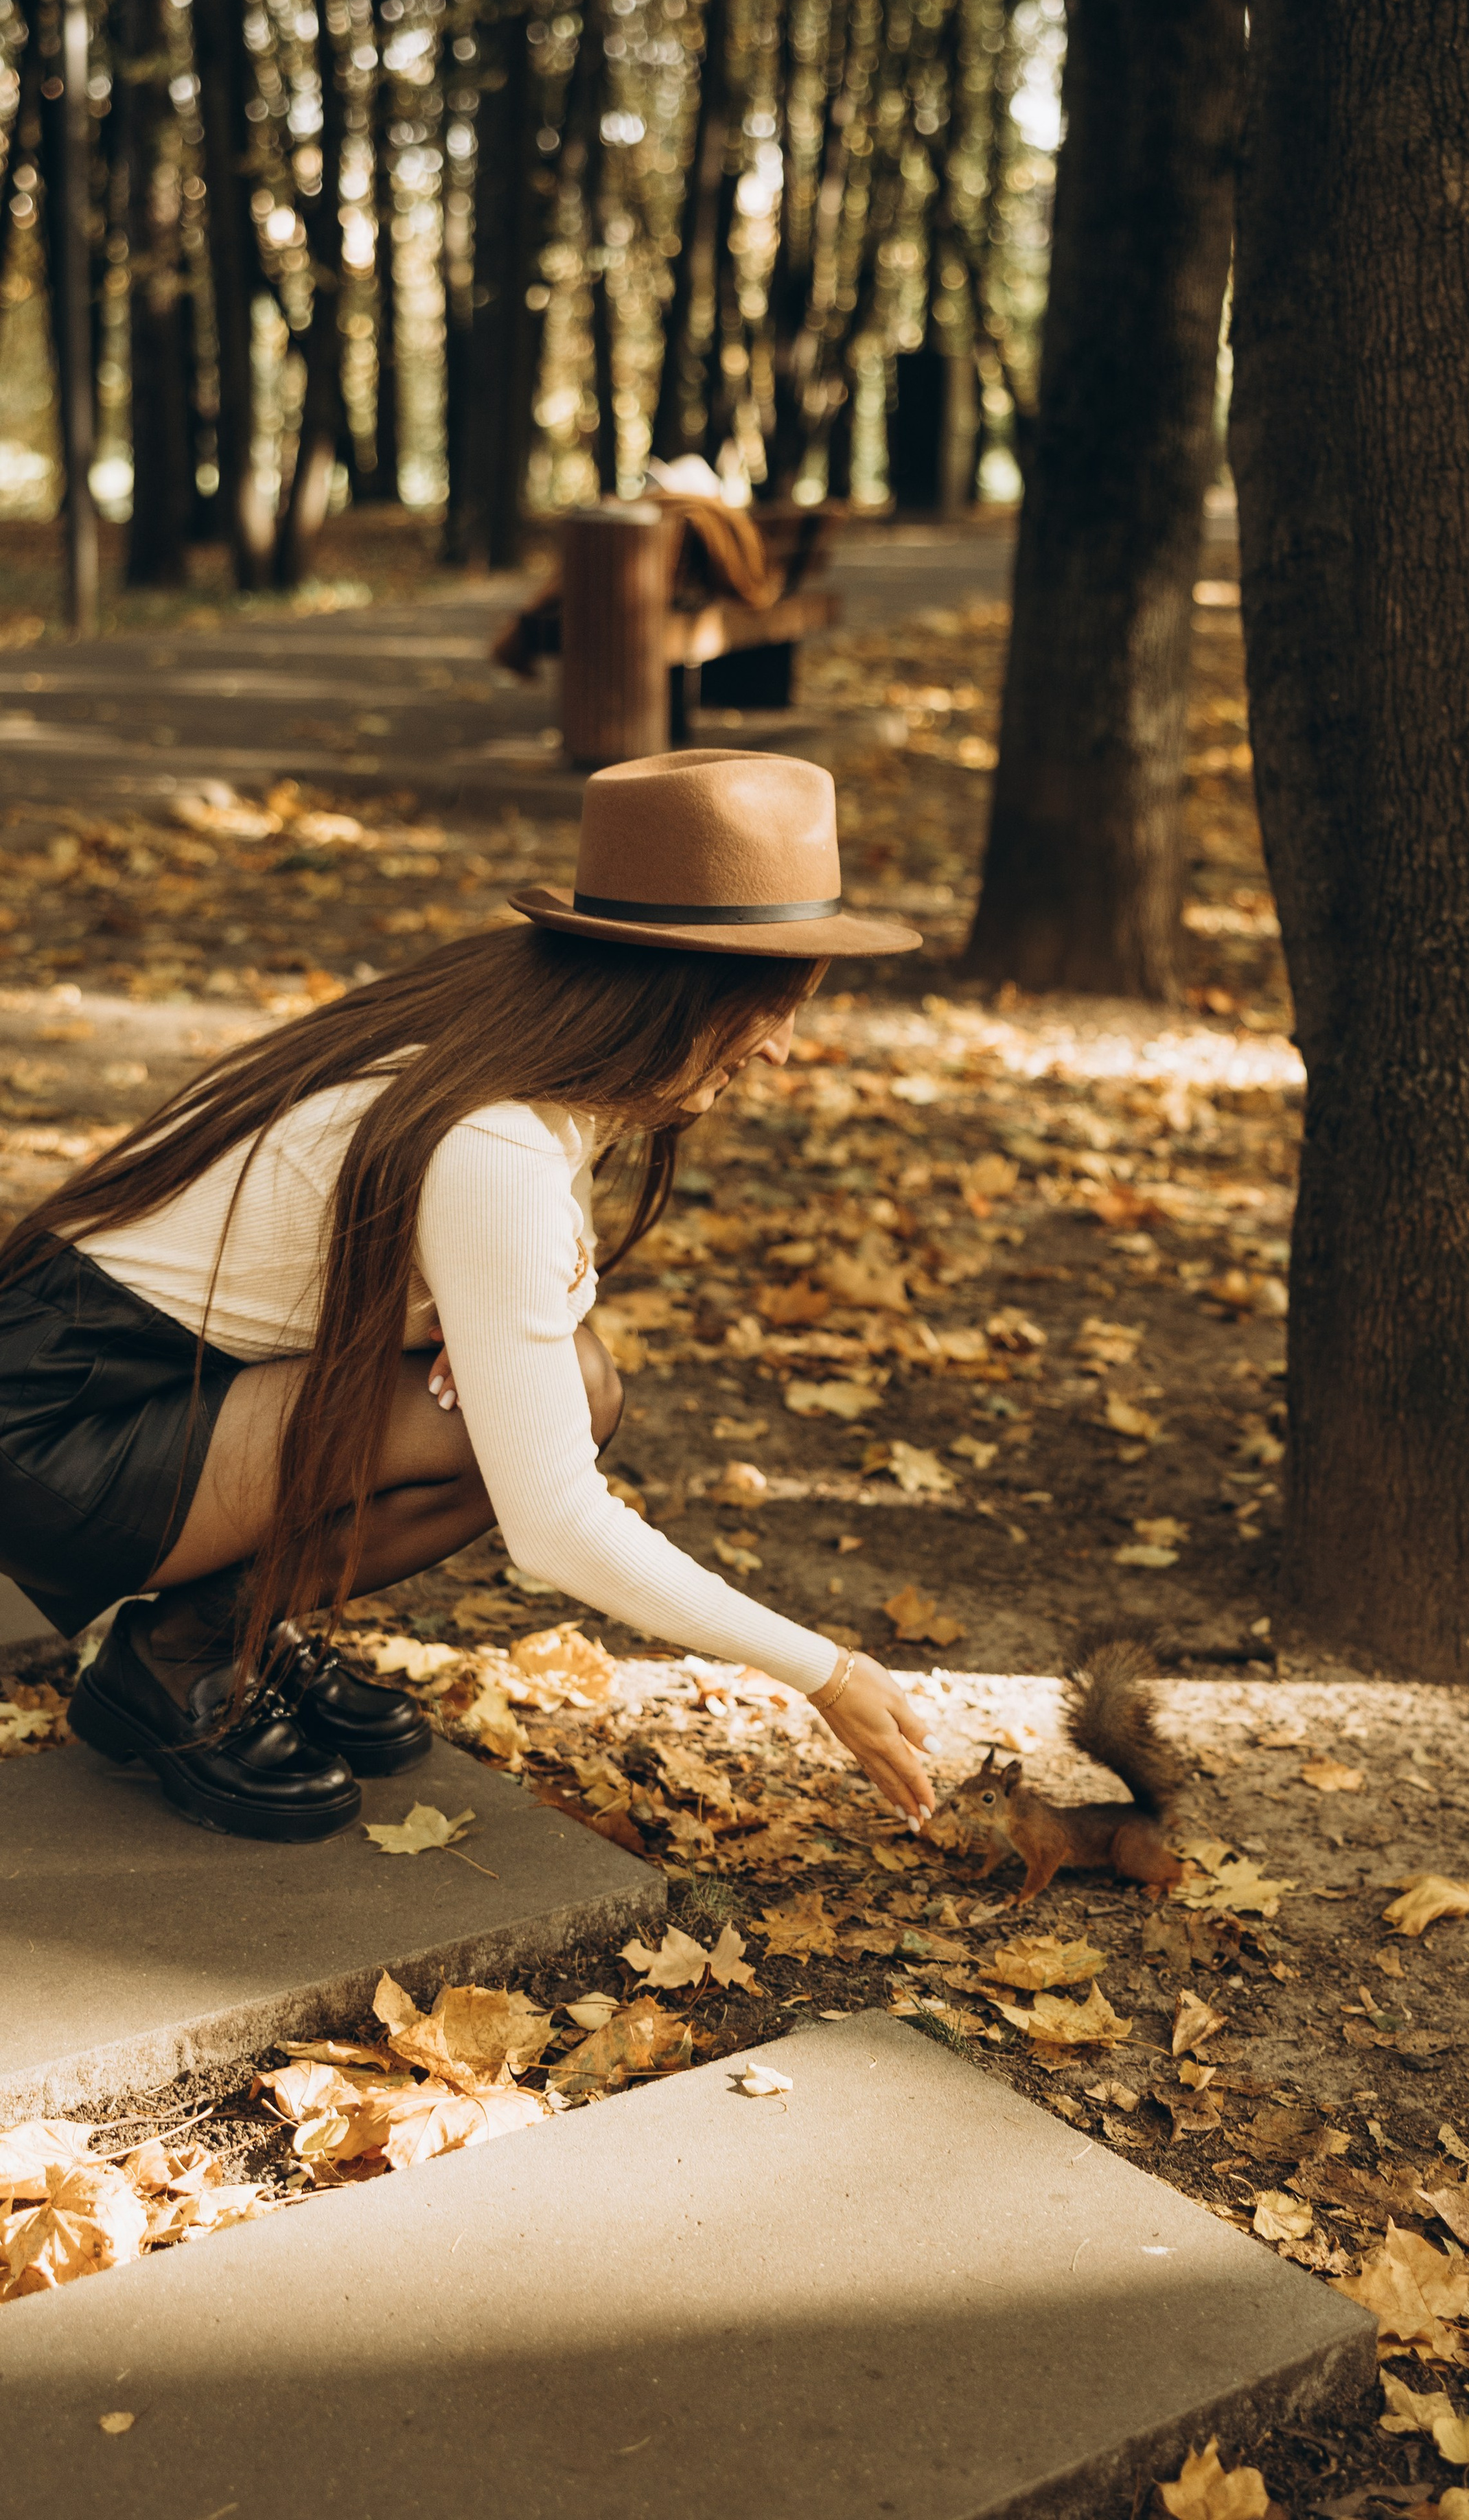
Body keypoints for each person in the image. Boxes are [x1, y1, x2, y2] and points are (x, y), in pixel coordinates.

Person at [0, 750, 936, 1844]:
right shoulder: (493, 1140)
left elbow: (553, 1255)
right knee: (526, 1416)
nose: (780, 1048)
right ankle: (181, 1658)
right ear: (677, 986)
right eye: (770, 1006)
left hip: (115, 1375)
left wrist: (474, 1308)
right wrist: (823, 1671)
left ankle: (230, 1627)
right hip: (52, 1433)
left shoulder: (517, 1022)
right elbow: (556, 1524)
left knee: (571, 1381)